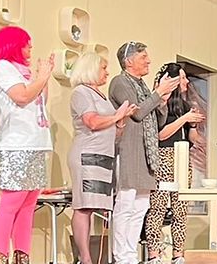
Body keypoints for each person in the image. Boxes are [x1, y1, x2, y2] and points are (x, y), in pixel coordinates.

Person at [0, 26, 55, 264]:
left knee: (28, 204)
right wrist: (41, 77)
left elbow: (40, 99)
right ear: (13, 45)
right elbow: (22, 97)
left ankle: (22, 257)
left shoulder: (23, 71)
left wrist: (43, 76)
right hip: (15, 144)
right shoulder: (2, 68)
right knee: (11, 202)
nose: (30, 49)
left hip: (36, 142)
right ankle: (0, 256)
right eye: (26, 44)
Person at [108, 41, 179, 264]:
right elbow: (137, 113)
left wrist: (162, 100)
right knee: (126, 204)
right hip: (129, 150)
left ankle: (130, 255)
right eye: (143, 57)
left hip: (146, 153)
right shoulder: (120, 82)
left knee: (140, 207)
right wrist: (158, 93)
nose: (149, 61)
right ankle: (121, 256)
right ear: (129, 61)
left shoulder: (142, 85)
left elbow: (157, 120)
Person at [68, 52, 135, 264]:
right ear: (91, 69)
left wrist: (121, 121)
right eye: (103, 68)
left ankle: (92, 257)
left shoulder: (100, 95)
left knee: (94, 206)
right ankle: (85, 258)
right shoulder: (81, 92)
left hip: (104, 156)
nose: (107, 72)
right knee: (84, 206)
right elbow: (92, 122)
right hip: (87, 156)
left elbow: (114, 133)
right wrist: (116, 116)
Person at [144, 62, 205, 264]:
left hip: (182, 158)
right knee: (158, 208)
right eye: (183, 78)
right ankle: (154, 254)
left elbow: (193, 139)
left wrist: (193, 125)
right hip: (163, 158)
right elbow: (161, 135)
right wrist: (184, 119)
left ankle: (178, 254)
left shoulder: (185, 107)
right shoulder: (159, 106)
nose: (187, 82)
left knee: (181, 208)